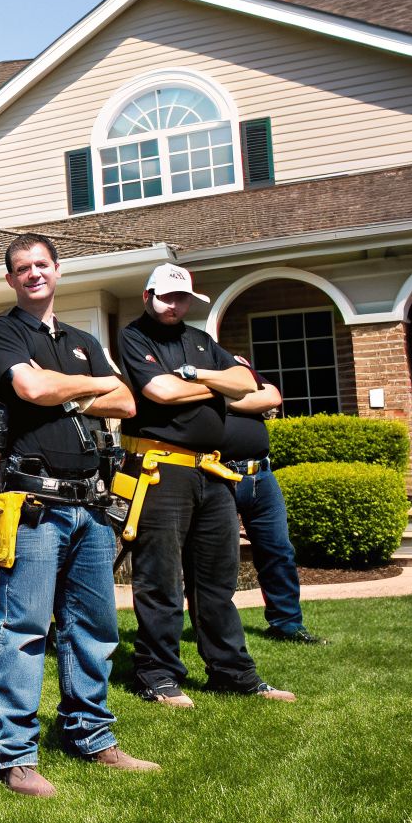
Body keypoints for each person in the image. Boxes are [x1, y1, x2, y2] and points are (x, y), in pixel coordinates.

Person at [0, 234, 159, 798]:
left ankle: (90, 734)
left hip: (91, 505)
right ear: (10, 279)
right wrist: (93, 387)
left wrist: (70, 393)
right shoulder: (1, 333)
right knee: (23, 630)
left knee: (95, 629)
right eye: (22, 268)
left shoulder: (81, 339)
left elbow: (127, 403)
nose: (33, 274)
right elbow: (29, 387)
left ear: (58, 270)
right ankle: (14, 754)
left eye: (41, 265)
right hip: (33, 506)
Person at [117, 264, 295, 707]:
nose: (173, 305)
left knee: (216, 581)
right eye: (165, 297)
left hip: (212, 471)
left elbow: (247, 382)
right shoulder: (134, 337)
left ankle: (232, 672)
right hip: (162, 470)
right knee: (159, 579)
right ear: (148, 296)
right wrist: (219, 386)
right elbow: (159, 391)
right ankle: (157, 674)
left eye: (180, 299)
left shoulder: (199, 340)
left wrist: (197, 378)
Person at [220, 365, 326, 644]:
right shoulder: (192, 370)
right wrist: (242, 399)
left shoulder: (235, 365)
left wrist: (219, 399)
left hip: (261, 475)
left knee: (278, 550)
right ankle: (216, 629)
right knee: (218, 559)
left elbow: (271, 397)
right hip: (217, 476)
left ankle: (287, 624)